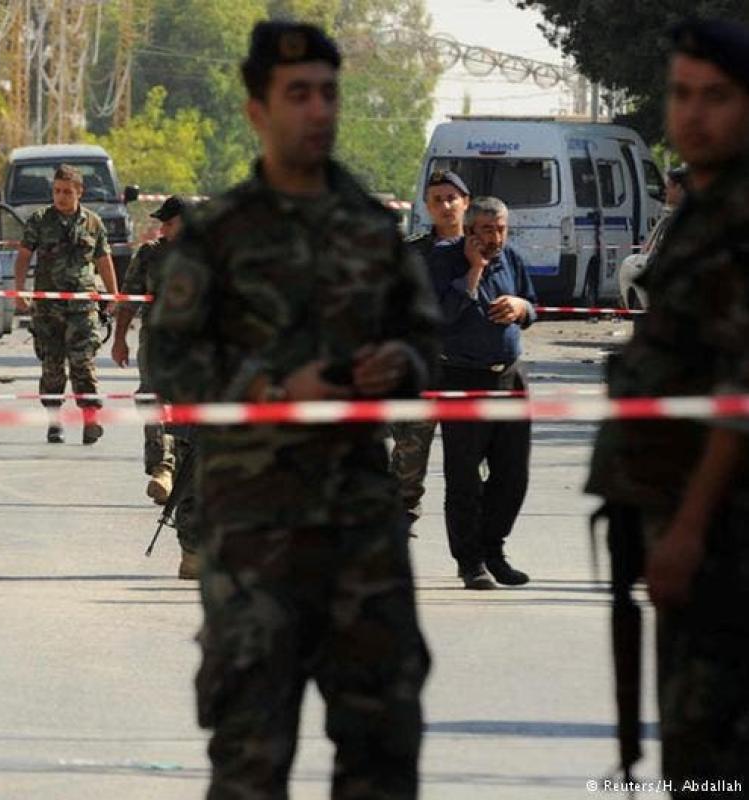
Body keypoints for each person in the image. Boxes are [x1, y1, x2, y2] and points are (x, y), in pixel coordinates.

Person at [145, 21, 439, 798]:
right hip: (254, 527)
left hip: (360, 527)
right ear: (257, 110)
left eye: (328, 94)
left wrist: (398, 365)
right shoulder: (217, 234)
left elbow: (422, 342)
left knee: (382, 751)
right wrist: (270, 391)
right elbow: (167, 360)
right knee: (251, 755)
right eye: (298, 94)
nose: (317, 110)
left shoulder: (372, 228)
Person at [587, 17, 749, 793]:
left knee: (717, 753)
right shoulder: (701, 216)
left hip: (725, 532)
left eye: (715, 97)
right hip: (688, 524)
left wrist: (688, 527)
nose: (693, 114)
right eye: (681, 95)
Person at [428, 196, 537, 590]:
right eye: (488, 230)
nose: (496, 238)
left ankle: (494, 550)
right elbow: (440, 318)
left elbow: (533, 306)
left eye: (502, 229)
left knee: (513, 474)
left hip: (509, 376)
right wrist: (474, 271)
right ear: (470, 230)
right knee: (464, 477)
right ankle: (470, 562)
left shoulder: (512, 258)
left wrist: (521, 307)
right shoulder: (444, 260)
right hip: (463, 378)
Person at [112, 194, 201, 579]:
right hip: (158, 343)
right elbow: (129, 301)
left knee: (192, 440)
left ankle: (196, 546)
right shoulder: (150, 254)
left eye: (169, 222)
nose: (162, 229)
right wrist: (119, 338)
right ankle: (161, 467)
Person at [12, 164, 119, 445]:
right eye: (57, 191)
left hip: (83, 306)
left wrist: (113, 295)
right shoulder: (39, 220)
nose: (61, 197)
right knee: (52, 365)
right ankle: (54, 421)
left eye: (67, 192)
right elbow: (23, 256)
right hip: (48, 308)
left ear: (79, 192)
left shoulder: (93, 223)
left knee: (83, 362)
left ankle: (90, 419)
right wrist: (19, 290)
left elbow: (103, 260)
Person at [388, 170, 470, 529]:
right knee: (410, 449)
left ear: (465, 202)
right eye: (437, 200)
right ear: (427, 206)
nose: (446, 206)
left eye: (452, 198)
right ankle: (400, 515)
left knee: (470, 458)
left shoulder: (481, 246)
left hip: (468, 366)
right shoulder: (412, 252)